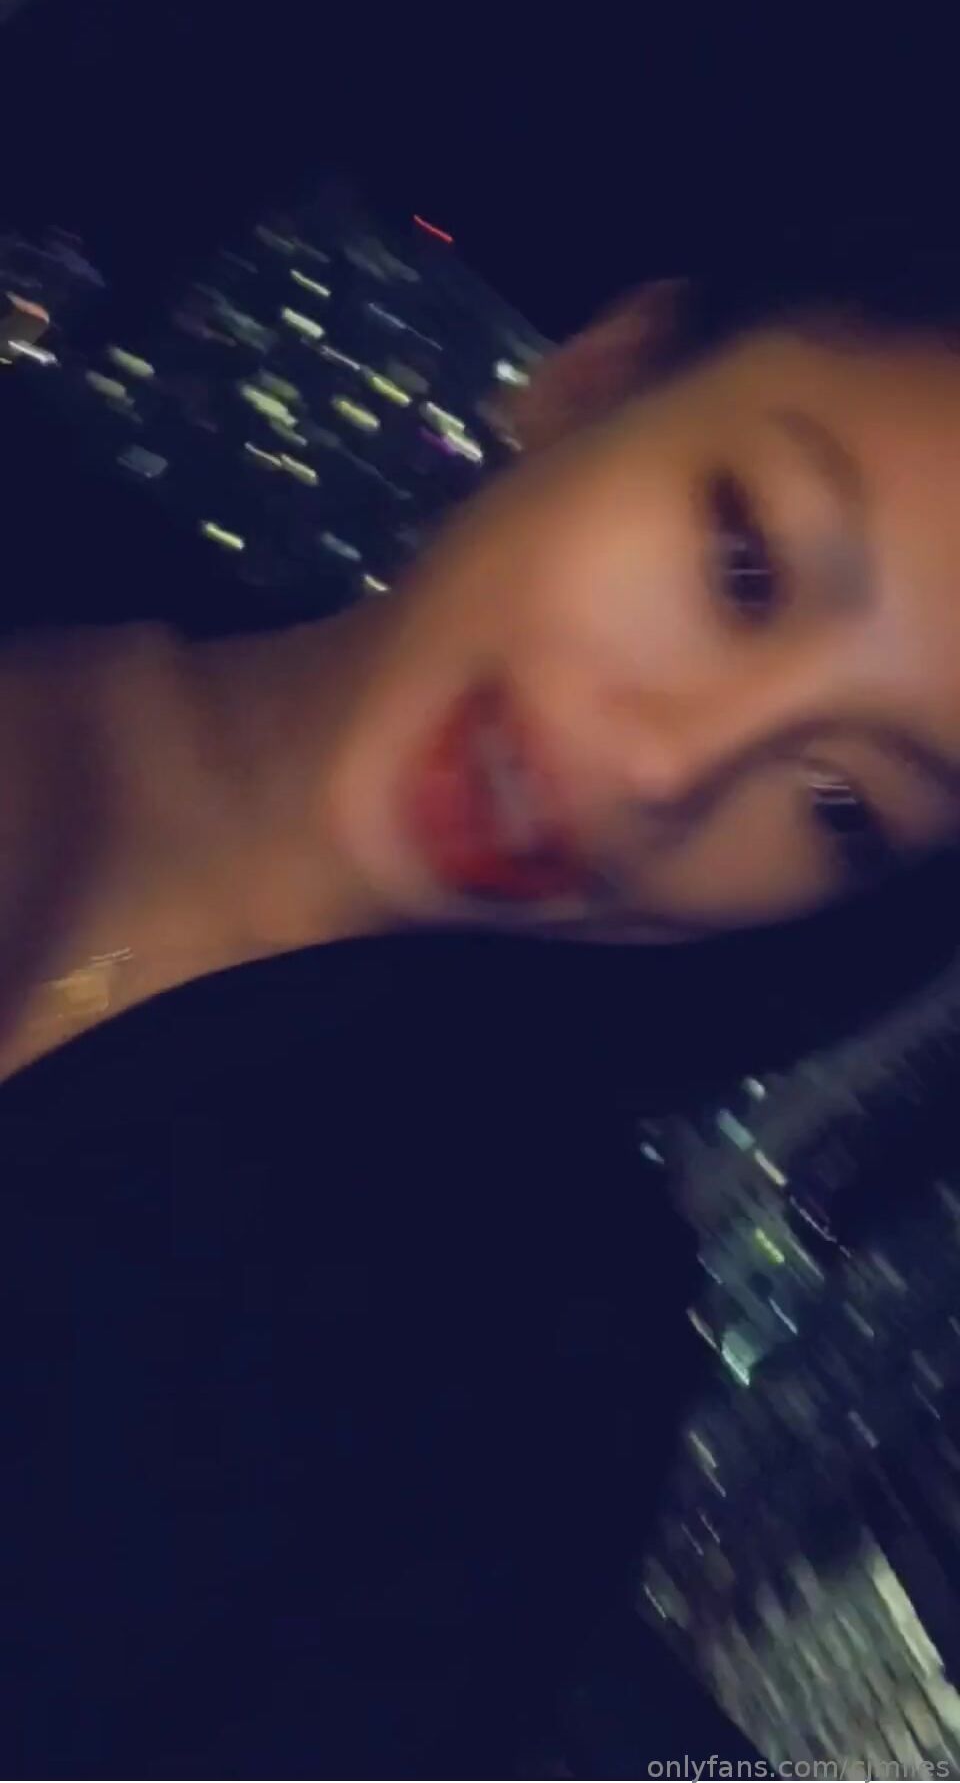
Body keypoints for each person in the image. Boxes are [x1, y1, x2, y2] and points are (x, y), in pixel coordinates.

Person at [4, 239, 960, 1775]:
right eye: (745, 569)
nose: (670, 769)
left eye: (843, 805)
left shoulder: (513, 1365)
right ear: (599, 380)